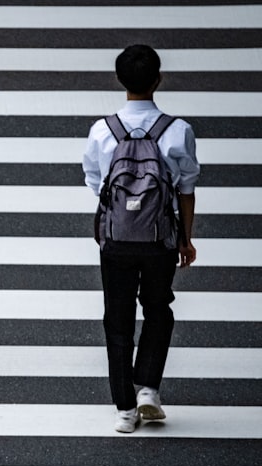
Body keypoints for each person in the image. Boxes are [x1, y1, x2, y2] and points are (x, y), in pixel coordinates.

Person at [82, 44, 200, 433]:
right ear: (158, 79)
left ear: (120, 80)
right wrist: (185, 239)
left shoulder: (103, 130)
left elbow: (96, 183)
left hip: (115, 240)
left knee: (117, 320)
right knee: (158, 308)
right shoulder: (177, 131)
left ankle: (124, 409)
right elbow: (186, 189)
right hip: (159, 239)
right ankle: (148, 387)